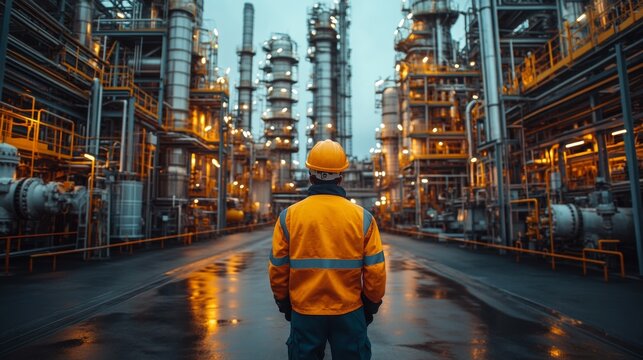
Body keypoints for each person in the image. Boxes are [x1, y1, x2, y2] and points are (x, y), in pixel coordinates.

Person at [268, 139, 386, 360]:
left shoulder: (289, 217)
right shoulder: (363, 218)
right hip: (349, 311)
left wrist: (285, 304)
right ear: (341, 176)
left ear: (310, 174)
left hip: (305, 311)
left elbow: (278, 269)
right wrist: (370, 305)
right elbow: (376, 271)